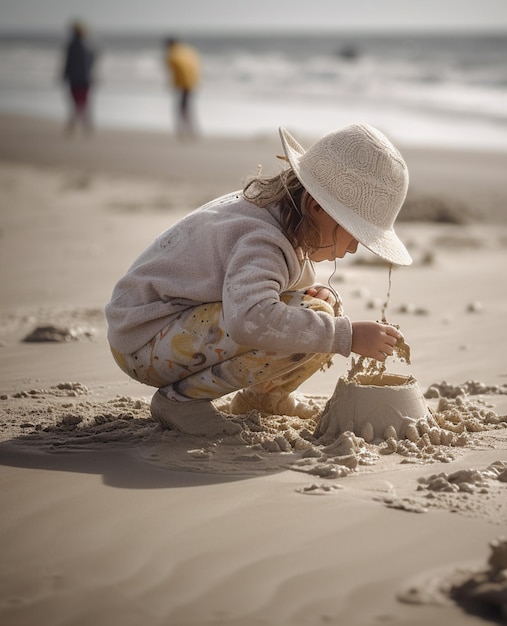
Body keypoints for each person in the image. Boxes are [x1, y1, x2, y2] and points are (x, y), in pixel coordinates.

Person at [105, 123, 413, 434]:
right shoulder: (262, 239)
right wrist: (348, 337)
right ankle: (181, 401)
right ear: (316, 206)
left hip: (164, 329)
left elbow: (248, 288)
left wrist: (314, 295)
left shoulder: (278, 217)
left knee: (319, 313)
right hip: (144, 339)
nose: (357, 246)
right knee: (317, 324)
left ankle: (265, 399)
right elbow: (249, 317)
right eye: (356, 232)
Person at [62, 21, 96, 135]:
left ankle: (74, 125)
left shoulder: (72, 46)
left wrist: (64, 75)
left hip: (76, 79)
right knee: (83, 103)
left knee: (76, 104)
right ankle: (86, 125)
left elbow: (68, 63)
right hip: (85, 79)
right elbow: (92, 61)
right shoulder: (88, 46)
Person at [164, 37, 201, 138]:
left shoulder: (172, 54)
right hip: (192, 81)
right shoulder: (187, 51)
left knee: (182, 108)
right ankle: (191, 129)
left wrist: (173, 84)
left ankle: (184, 130)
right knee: (186, 107)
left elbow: (173, 70)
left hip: (183, 83)